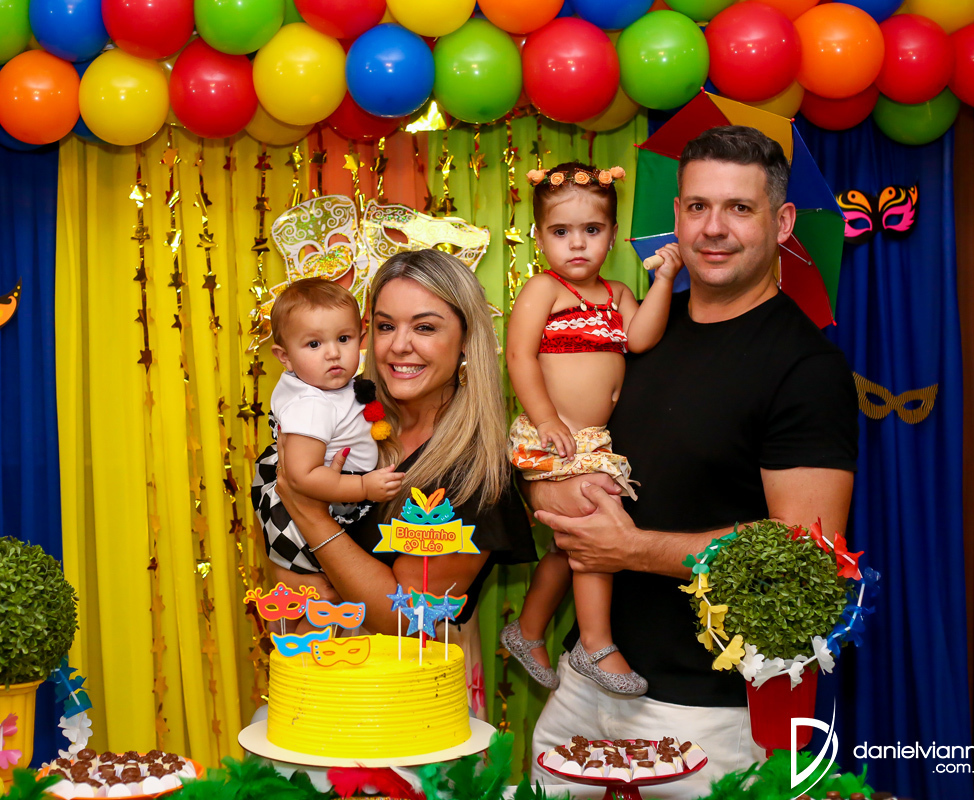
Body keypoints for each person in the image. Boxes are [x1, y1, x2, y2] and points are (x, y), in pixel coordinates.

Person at [528, 126, 859, 798]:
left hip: (705, 711)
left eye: (740, 208)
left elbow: (806, 554)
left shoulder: (805, 367)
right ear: (676, 215)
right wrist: (547, 489)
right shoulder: (638, 328)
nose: (714, 228)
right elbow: (564, 440)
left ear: (782, 223)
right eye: (699, 207)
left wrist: (633, 549)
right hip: (584, 683)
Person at [272, 249, 537, 714]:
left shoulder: (473, 471)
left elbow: (407, 622)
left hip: (412, 700)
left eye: (425, 327)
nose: (398, 346)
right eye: (385, 325)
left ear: (466, 340)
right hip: (323, 687)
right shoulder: (348, 418)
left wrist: (309, 513)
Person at [500, 162, 683, 695]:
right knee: (593, 515)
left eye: (592, 230)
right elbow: (519, 356)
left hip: (592, 441)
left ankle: (528, 628)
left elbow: (642, 337)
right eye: (561, 232)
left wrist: (663, 281)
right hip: (550, 435)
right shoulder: (544, 289)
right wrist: (546, 418)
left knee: (570, 542)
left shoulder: (617, 294)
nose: (577, 244)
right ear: (539, 238)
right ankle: (595, 644)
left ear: (612, 233)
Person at [252, 278, 404, 613]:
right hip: (317, 498)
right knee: (323, 599)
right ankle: (305, 640)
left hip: (328, 490)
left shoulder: (325, 387)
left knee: (317, 598)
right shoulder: (312, 404)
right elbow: (302, 476)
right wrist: (363, 487)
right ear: (284, 356)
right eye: (313, 344)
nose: (333, 353)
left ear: (361, 339)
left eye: (343, 339)